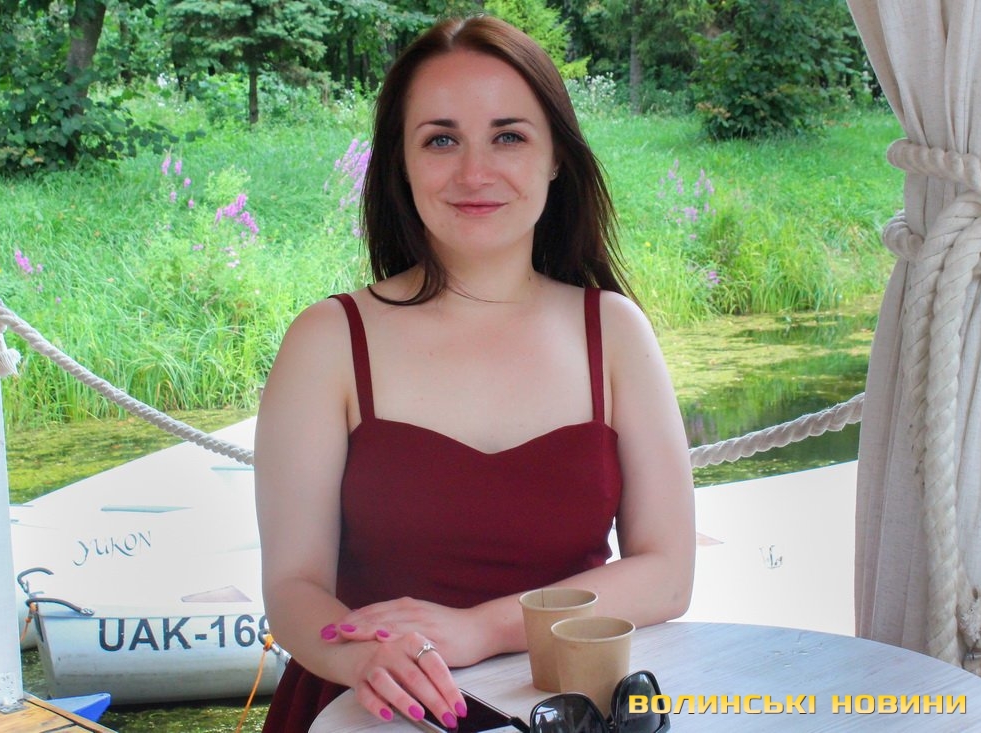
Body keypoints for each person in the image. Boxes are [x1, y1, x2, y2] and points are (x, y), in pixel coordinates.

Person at [254, 14, 695, 732]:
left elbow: (667, 574)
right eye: (441, 139)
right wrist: (364, 656)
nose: (474, 173)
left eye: (508, 136)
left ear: (556, 156)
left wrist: (481, 627)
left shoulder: (613, 332)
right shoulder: (328, 340)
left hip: (570, 709)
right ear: (399, 162)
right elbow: (293, 586)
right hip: (371, 709)